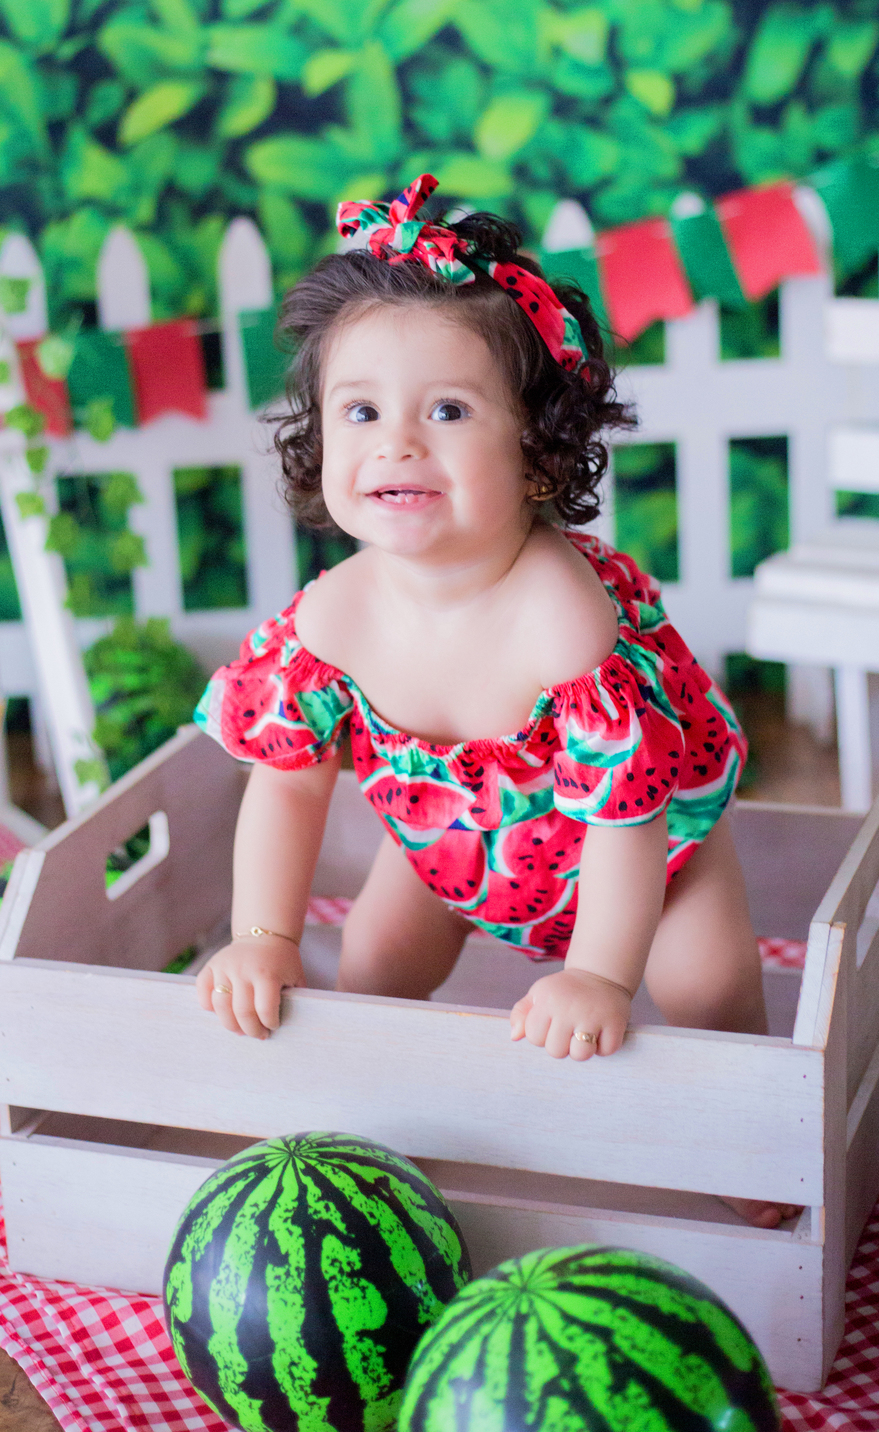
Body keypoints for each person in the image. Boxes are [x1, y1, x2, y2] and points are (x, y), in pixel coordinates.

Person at [194, 174, 792, 1228]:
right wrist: (264, 935)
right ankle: (360, 1145)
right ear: (320, 442)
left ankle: (749, 1150)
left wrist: (605, 976)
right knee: (369, 975)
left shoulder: (562, 626)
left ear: (534, 455)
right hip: (449, 848)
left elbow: (627, 817)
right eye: (361, 409)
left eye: (451, 410)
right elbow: (284, 790)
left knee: (706, 995)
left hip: (645, 855)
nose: (397, 441)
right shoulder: (331, 621)